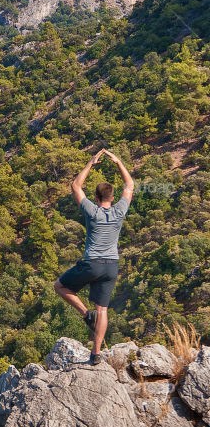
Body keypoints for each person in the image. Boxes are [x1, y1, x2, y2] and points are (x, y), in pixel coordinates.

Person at [53, 148, 134, 365]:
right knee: (103, 310)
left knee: (59, 286)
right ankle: (96, 354)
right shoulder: (120, 211)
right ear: (112, 198)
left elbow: (75, 186)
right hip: (112, 266)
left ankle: (86, 314)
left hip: (92, 263)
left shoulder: (92, 210)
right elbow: (130, 185)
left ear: (96, 198)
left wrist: (90, 163)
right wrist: (118, 162)